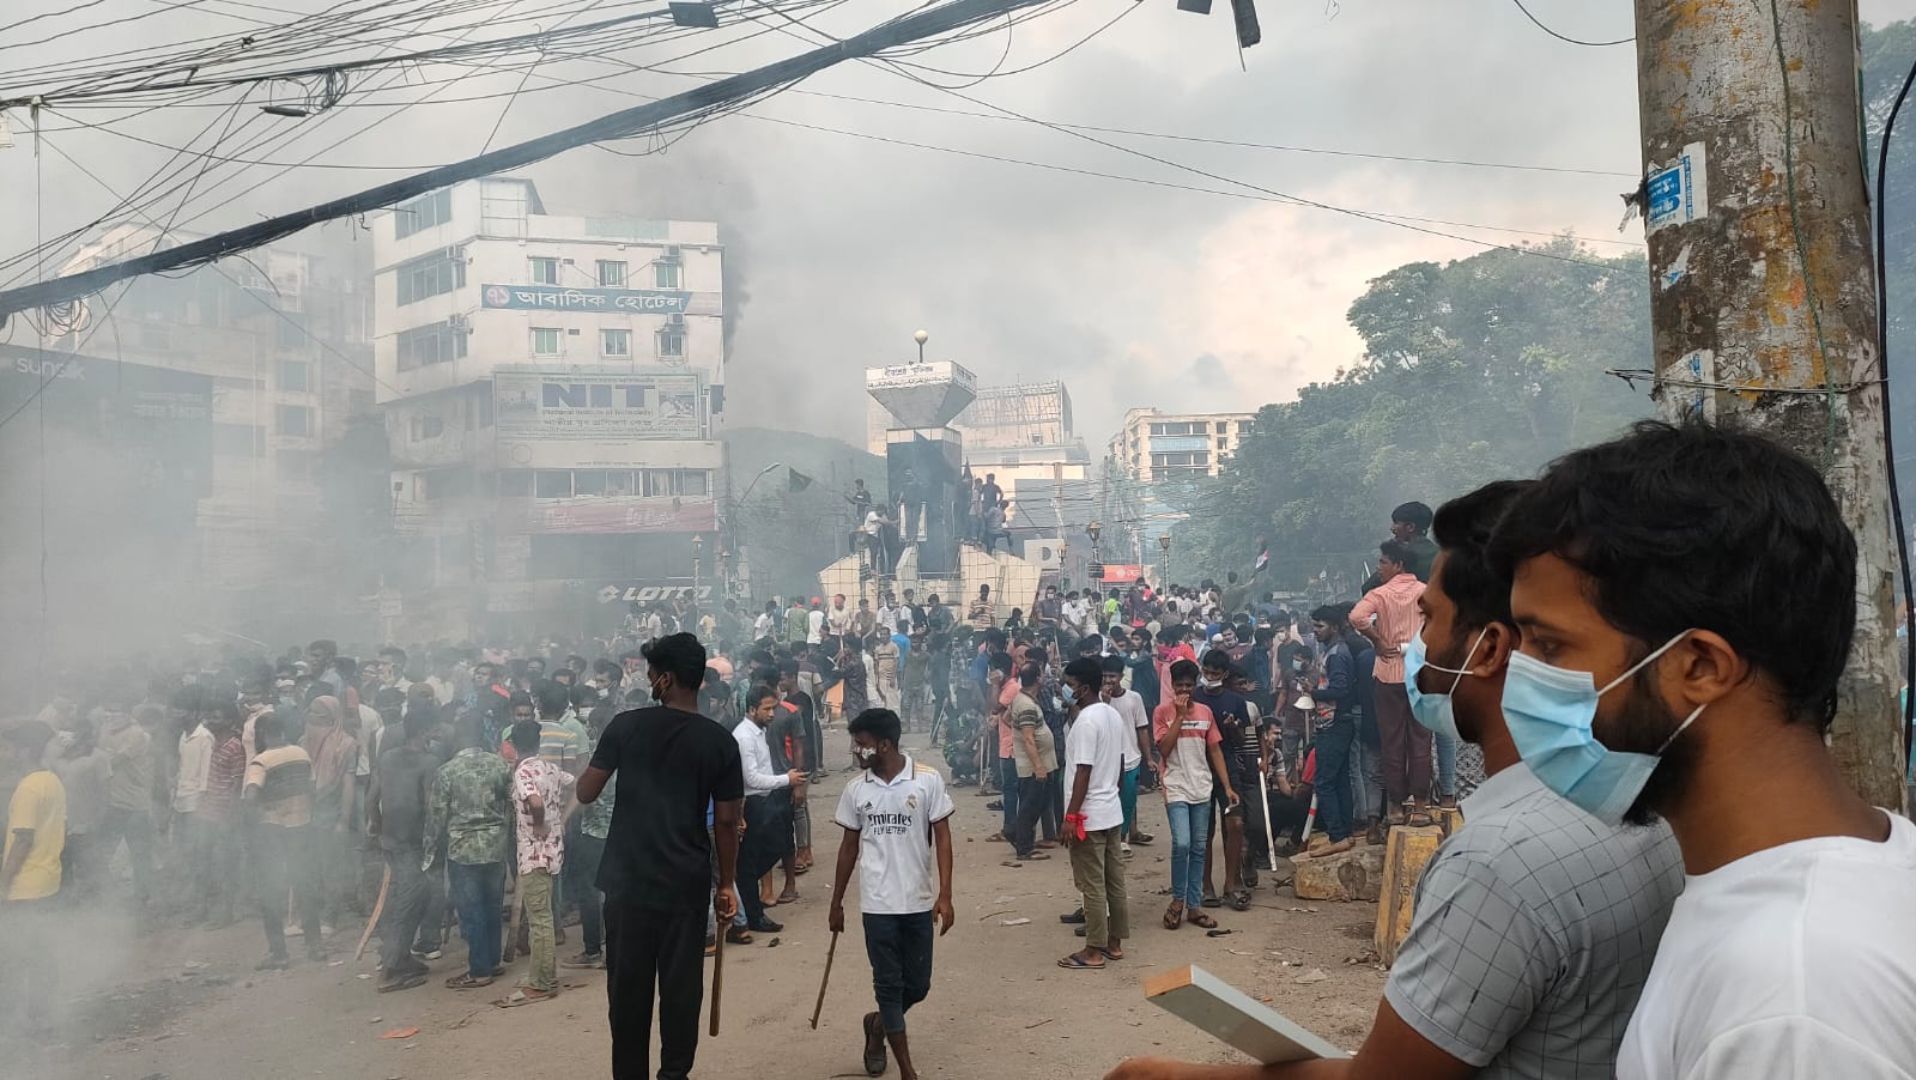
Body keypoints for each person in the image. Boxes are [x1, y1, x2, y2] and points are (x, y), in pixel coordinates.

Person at [1103, 478, 1690, 1080]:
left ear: (1486, 650)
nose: (1417, 641)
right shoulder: (1642, 810)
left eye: (1429, 618)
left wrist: (1167, 1075)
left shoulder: (1495, 864)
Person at [1487, 421, 1916, 1079]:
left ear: (1700, 667)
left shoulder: (1793, 1002)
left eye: (1548, 647)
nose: (1518, 680)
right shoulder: (1867, 863)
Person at [577, 632, 744, 1080]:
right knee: (682, 990)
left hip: (627, 884)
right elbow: (727, 823)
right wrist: (725, 883)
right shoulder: (719, 742)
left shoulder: (625, 727)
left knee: (627, 994)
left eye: (652, 675)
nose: (650, 681)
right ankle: (674, 1074)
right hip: (684, 885)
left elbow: (586, 792)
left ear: (666, 679)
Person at [829, 708, 956, 1080]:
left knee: (918, 985)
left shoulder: (927, 781)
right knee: (887, 984)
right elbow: (848, 847)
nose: (856, 750)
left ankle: (878, 1025)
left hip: (917, 902)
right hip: (877, 905)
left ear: (884, 744)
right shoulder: (856, 789)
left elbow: (943, 839)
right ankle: (907, 1070)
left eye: (862, 744)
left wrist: (945, 894)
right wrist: (836, 902)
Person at [425, 715, 513, 991]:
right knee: (492, 906)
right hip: (495, 845)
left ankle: (479, 970)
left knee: (471, 910)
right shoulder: (499, 764)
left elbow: (436, 816)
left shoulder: (447, 771)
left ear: (458, 738)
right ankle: (492, 960)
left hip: (463, 849)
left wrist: (428, 852)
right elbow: (510, 803)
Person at [1152, 661, 1236, 932]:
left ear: (1195, 685)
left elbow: (1215, 751)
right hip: (1175, 785)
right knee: (1182, 844)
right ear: (1172, 687)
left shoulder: (1205, 712)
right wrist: (1178, 716)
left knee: (1200, 847)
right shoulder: (1161, 712)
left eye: (1189, 685)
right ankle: (1178, 901)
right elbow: (1164, 749)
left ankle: (1194, 905)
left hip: (1202, 786)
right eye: (1180, 686)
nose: (1184, 690)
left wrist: (1227, 786)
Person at [1058, 656, 1130, 970]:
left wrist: (1071, 817)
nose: (1065, 690)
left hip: (1089, 815)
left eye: (1069, 685)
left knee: (1092, 884)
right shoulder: (1111, 715)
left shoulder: (1087, 721)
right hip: (1110, 810)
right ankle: (1114, 943)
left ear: (1084, 687)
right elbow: (1121, 762)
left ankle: (1094, 949)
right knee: (1114, 880)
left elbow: (1082, 772)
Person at [1350, 540, 1428, 824]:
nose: (1380, 567)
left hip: (1387, 675)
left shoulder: (1379, 594)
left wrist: (1378, 640)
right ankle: (1420, 806)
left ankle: (1395, 807)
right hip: (1420, 675)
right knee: (1420, 741)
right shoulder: (1425, 592)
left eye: (1383, 562)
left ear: (1398, 564)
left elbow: (1356, 617)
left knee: (1391, 742)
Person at [245, 711, 325, 968]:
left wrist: (254, 818)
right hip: (302, 827)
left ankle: (278, 953)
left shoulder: (261, 761)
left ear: (262, 734)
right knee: (304, 886)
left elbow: (251, 794)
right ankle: (315, 946)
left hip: (273, 831)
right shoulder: (302, 754)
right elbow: (313, 790)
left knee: (270, 890)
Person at [367, 709, 439, 993]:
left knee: (401, 898)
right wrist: (434, 842)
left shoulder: (387, 758)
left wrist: (375, 826)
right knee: (409, 903)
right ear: (424, 732)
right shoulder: (429, 762)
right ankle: (392, 969)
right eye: (433, 731)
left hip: (390, 838)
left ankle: (402, 958)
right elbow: (431, 807)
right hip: (413, 841)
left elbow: (373, 797)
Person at [1, 720, 65, 1027]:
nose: (5, 752)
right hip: (48, 878)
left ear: (25, 749)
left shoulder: (27, 788)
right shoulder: (51, 780)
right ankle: (42, 1016)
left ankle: (15, 1022)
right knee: (41, 953)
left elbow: (23, 838)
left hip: (24, 885)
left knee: (14, 955)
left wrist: (3, 883)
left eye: (9, 747)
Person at [502, 718, 566, 1007]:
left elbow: (535, 802)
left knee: (540, 919)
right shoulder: (549, 768)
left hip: (533, 854)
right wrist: (560, 818)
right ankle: (545, 975)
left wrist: (540, 823)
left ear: (513, 745)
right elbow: (575, 784)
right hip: (553, 851)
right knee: (545, 916)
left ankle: (541, 983)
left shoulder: (523, 772)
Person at [732, 685, 805, 934]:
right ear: (752, 709)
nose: (772, 714)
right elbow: (751, 778)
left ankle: (750, 903)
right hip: (753, 803)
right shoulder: (743, 737)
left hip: (766, 800)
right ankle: (753, 914)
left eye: (773, 708)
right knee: (752, 860)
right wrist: (786, 779)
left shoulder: (759, 732)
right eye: (767, 709)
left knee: (778, 845)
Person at [1195, 650, 1262, 907]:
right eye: (1206, 671)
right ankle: (1205, 885)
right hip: (1200, 769)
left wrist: (1234, 728)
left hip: (1230, 768)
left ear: (1224, 675)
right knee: (1206, 829)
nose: (1209, 677)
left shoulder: (1236, 702)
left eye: (1215, 673)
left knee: (1234, 825)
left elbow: (1242, 739)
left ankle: (1232, 882)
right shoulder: (1195, 697)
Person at [1306, 605, 1361, 857]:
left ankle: (1337, 835)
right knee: (1339, 780)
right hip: (1335, 722)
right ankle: (1345, 833)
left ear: (1335, 627)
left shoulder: (1338, 654)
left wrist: (1313, 693)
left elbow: (1340, 689)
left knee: (1324, 782)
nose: (1315, 631)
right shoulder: (1332, 650)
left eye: (1320, 626)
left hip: (1335, 723)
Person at [1100, 654, 1155, 851]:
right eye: (1105, 676)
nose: (1108, 681)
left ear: (1121, 676)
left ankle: (1125, 836)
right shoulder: (1098, 701)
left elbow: (1142, 728)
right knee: (1113, 799)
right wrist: (1104, 703)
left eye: (1112, 676)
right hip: (1108, 759)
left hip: (1131, 757)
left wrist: (1148, 758)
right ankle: (1117, 837)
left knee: (1129, 799)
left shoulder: (1134, 698)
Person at [1005, 663, 1055, 862]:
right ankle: (1024, 846)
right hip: (1033, 765)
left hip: (1034, 762)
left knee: (1034, 803)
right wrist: (1039, 766)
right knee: (1031, 806)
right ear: (1038, 678)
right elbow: (1028, 738)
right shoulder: (1026, 705)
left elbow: (1007, 718)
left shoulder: (1021, 699)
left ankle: (1017, 834)